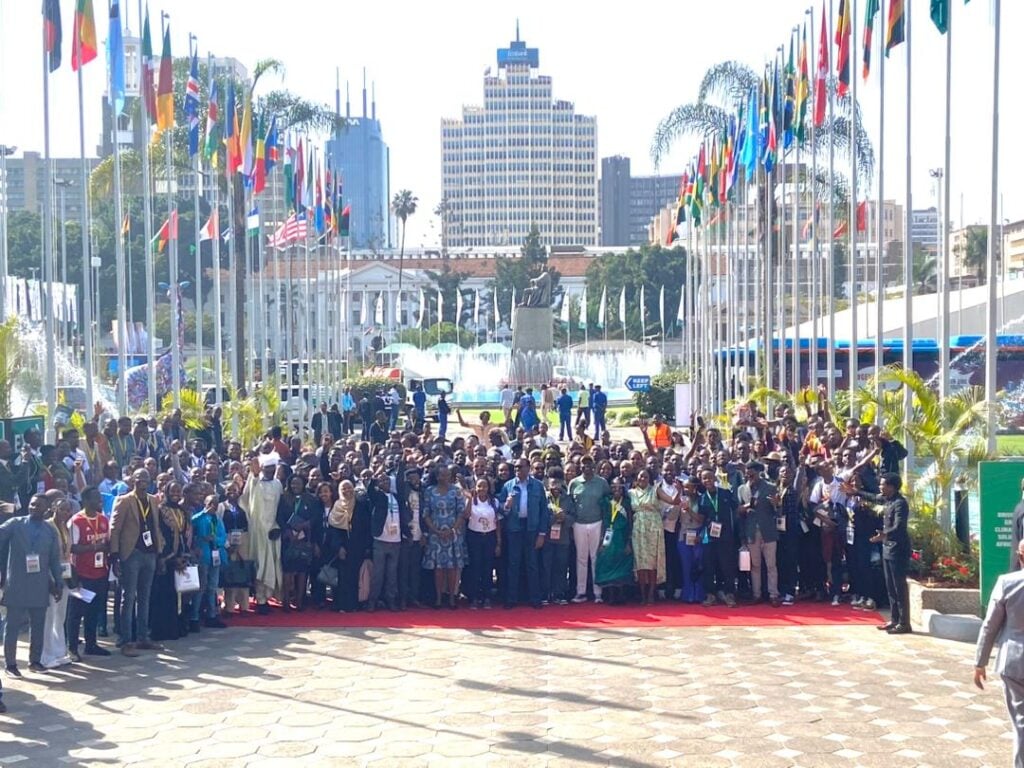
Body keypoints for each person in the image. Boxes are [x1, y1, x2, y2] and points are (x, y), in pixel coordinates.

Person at [0, 493, 64, 700]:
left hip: (39, 585)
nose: (34, 507)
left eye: (38, 506)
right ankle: (10, 664)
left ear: (46, 509)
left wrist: (58, 583)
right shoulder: (15, 524)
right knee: (12, 626)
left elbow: (55, 559)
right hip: (16, 583)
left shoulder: (49, 531)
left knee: (38, 624)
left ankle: (35, 661)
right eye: (32, 504)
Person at [975, 539, 1024, 768]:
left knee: (1021, 722)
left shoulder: (1007, 583)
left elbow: (990, 625)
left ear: (1019, 556)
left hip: (1013, 660)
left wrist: (980, 662)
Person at [110, 468, 164, 657]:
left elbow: (155, 526)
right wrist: (115, 556)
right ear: (133, 480)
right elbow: (114, 529)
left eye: (146, 478)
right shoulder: (124, 501)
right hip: (131, 553)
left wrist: (159, 552)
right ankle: (126, 640)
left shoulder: (153, 500)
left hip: (149, 553)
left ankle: (142, 637)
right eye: (139, 478)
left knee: (144, 597)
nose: (143, 481)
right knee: (129, 597)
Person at [497, 458, 549, 609]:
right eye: (516, 468)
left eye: (521, 467)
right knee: (513, 564)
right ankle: (511, 599)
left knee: (532, 564)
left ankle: (535, 599)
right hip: (514, 528)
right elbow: (500, 508)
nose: (518, 470)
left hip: (532, 527)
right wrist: (506, 506)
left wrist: (542, 533)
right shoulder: (508, 485)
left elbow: (544, 511)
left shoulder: (538, 486)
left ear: (528, 468)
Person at [67, 486, 112, 659]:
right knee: (77, 612)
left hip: (100, 572)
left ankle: (91, 644)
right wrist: (94, 547)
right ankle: (72, 648)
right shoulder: (76, 521)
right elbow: (72, 547)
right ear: (85, 500)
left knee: (94, 610)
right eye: (95, 498)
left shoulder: (103, 519)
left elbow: (108, 542)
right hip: (82, 574)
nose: (99, 500)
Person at [867, 472, 912, 634]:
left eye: (883, 484)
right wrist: (855, 492)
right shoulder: (888, 500)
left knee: (899, 587)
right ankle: (894, 619)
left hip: (898, 550)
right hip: (887, 548)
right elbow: (873, 497)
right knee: (890, 587)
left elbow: (899, 527)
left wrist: (884, 536)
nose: (880, 486)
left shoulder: (900, 503)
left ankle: (904, 623)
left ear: (892, 486)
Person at [240, 454, 283, 615]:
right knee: (260, 564)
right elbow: (246, 499)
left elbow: (280, 508)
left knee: (272, 564)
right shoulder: (254, 481)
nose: (270, 470)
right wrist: (254, 473)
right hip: (257, 531)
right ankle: (260, 599)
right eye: (267, 468)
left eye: (273, 468)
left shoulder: (278, 484)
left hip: (273, 530)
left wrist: (277, 526)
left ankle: (268, 596)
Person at [628, 470, 680, 605]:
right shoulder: (631, 493)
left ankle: (651, 592)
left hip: (653, 528)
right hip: (638, 529)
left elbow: (674, 501)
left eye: (646, 476)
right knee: (640, 562)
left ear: (649, 478)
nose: (643, 478)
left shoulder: (656, 490)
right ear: (637, 478)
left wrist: (679, 490)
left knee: (652, 561)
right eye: (641, 476)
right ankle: (642, 593)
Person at [150, 482, 191, 641]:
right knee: (162, 595)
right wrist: (166, 557)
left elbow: (184, 534)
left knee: (177, 595)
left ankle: (176, 628)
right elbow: (158, 533)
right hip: (165, 558)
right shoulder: (160, 510)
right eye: (172, 491)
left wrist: (183, 555)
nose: (175, 493)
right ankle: (160, 631)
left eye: (178, 491)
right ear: (166, 492)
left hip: (180, 556)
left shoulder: (182, 511)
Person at [422, 465, 468, 609]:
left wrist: (452, 529)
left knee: (452, 567)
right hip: (436, 534)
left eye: (448, 475)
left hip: (453, 533)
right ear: (437, 476)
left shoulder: (456, 491)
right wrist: (435, 530)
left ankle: (452, 598)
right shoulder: (430, 491)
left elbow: (461, 513)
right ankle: (438, 598)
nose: (446, 477)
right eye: (443, 475)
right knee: (439, 568)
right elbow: (426, 514)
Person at [738, 461, 782, 608]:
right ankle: (756, 594)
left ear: (758, 473)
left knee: (771, 565)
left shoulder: (770, 487)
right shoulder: (742, 489)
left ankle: (773, 595)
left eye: (752, 474)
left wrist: (776, 504)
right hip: (751, 532)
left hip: (768, 532)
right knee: (755, 565)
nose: (749, 476)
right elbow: (738, 511)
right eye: (747, 474)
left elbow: (778, 512)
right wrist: (747, 507)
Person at [568, 457, 611, 604]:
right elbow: (570, 504)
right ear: (580, 466)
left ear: (594, 466)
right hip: (579, 524)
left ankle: (597, 592)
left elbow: (607, 504)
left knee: (595, 558)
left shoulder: (602, 483)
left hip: (596, 523)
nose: (587, 467)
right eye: (584, 465)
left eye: (589, 465)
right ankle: (581, 592)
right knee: (581, 558)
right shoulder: (574, 483)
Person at [39, 492, 74, 668]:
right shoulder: (47, 527)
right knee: (49, 615)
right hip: (50, 576)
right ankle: (46, 655)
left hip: (65, 576)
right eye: (62, 509)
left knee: (60, 615)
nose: (65, 513)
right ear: (53, 509)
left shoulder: (66, 527)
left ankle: (60, 651)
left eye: (68, 510)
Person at [366, 472, 408, 612]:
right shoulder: (378, 497)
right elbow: (370, 491)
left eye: (387, 481)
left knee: (392, 574)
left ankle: (391, 600)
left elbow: (403, 516)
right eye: (382, 481)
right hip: (380, 540)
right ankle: (373, 600)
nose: (385, 483)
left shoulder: (397, 497)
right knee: (378, 573)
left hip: (395, 541)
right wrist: (374, 478)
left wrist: (407, 534)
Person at [594, 479, 633, 605]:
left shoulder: (626, 502)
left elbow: (630, 522)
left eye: (619, 488)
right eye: (614, 487)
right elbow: (604, 520)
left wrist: (628, 542)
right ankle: (610, 594)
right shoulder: (606, 501)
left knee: (621, 563)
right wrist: (601, 541)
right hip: (609, 536)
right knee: (608, 562)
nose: (617, 490)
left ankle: (621, 594)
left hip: (622, 536)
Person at [191, 495, 228, 629]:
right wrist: (203, 512)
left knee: (213, 586)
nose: (213, 506)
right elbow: (191, 523)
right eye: (210, 503)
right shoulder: (200, 517)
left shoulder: (217, 519)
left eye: (216, 504)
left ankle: (212, 615)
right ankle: (194, 617)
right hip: (203, 556)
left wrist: (215, 540)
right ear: (205, 504)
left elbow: (223, 537)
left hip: (215, 556)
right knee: (201, 587)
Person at [465, 477, 501, 609]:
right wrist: (469, 499)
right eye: (479, 486)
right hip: (474, 537)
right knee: (475, 568)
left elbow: (497, 523)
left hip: (490, 537)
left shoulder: (494, 502)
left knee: (487, 568)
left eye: (485, 486)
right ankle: (474, 597)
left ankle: (487, 597)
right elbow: (465, 515)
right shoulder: (472, 501)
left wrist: (498, 543)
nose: (482, 489)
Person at [541, 477, 575, 605]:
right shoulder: (544, 499)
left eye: (557, 484)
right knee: (546, 566)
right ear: (548, 485)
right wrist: (553, 519)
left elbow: (574, 516)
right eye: (552, 484)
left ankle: (559, 593)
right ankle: (545, 593)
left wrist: (564, 518)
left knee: (561, 566)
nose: (555, 487)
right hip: (548, 537)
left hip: (563, 537)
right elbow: (541, 516)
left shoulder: (567, 499)